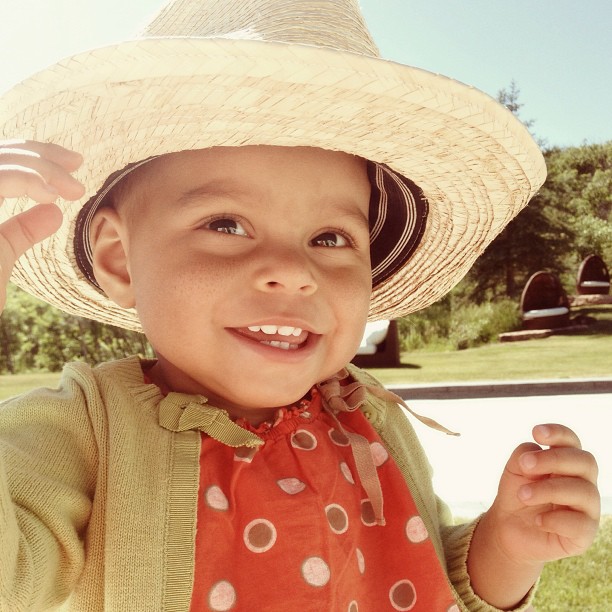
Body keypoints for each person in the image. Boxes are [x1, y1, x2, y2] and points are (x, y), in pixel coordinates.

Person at [0, 1, 600, 610]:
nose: (293, 271)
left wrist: (510, 546)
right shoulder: (87, 430)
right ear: (120, 259)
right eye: (227, 223)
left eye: (331, 238)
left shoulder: (372, 422)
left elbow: (424, 575)